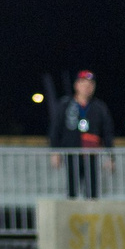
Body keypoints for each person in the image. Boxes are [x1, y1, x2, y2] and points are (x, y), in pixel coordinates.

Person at [51, 70, 116, 198]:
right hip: (71, 153)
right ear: (76, 85)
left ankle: (91, 215)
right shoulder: (65, 104)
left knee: (92, 191)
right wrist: (55, 152)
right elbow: (55, 129)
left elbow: (108, 133)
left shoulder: (99, 107)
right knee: (72, 190)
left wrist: (110, 157)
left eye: (90, 84)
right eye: (83, 84)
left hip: (91, 154)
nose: (87, 87)